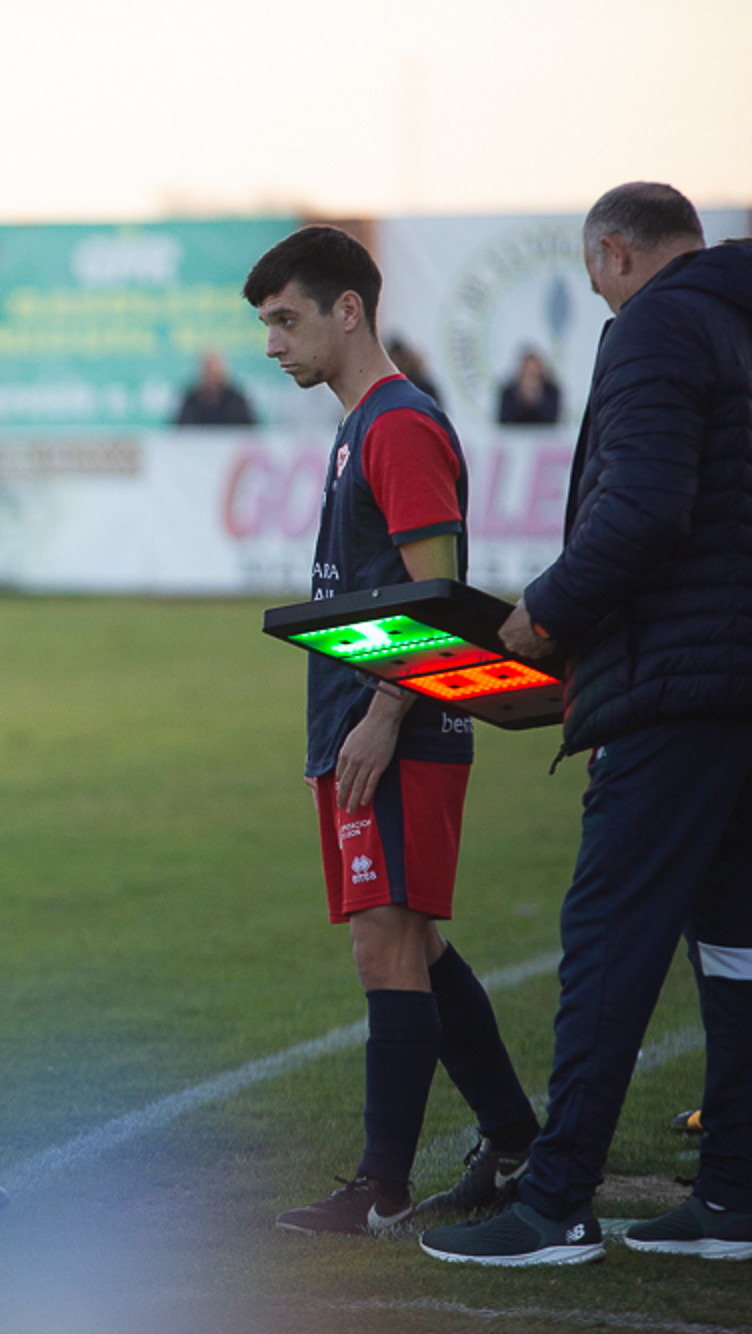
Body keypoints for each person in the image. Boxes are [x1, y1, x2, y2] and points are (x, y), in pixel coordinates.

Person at [422, 183, 752, 1266]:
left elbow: (646, 503)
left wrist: (543, 611)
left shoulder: (654, 321)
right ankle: (734, 1191)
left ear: (610, 253)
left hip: (677, 681)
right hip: (734, 678)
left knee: (609, 932)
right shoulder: (732, 314)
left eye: (592, 277)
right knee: (735, 944)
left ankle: (555, 1199)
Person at [243, 226, 542, 1236]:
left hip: (396, 729)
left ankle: (379, 1185)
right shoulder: (357, 422)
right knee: (413, 938)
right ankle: (510, 1134)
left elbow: (435, 592)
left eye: (283, 319)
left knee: (386, 946)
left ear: (347, 309)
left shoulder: (397, 423)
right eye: (263, 325)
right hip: (364, 723)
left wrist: (377, 716)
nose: (270, 343)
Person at [174, 349, 258, 426]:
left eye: (215, 370)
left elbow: (250, 430)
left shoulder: (236, 401)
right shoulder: (190, 401)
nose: (212, 375)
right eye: (208, 369)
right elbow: (181, 430)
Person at [496, 348, 562, 425]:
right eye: (528, 371)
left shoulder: (551, 391)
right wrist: (522, 397)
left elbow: (552, 420)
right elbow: (505, 421)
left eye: (534, 373)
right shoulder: (508, 392)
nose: (531, 376)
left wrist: (538, 398)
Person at [386, 336, 444, 405]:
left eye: (402, 360)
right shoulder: (389, 389)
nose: (399, 365)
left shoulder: (422, 387)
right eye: (394, 361)